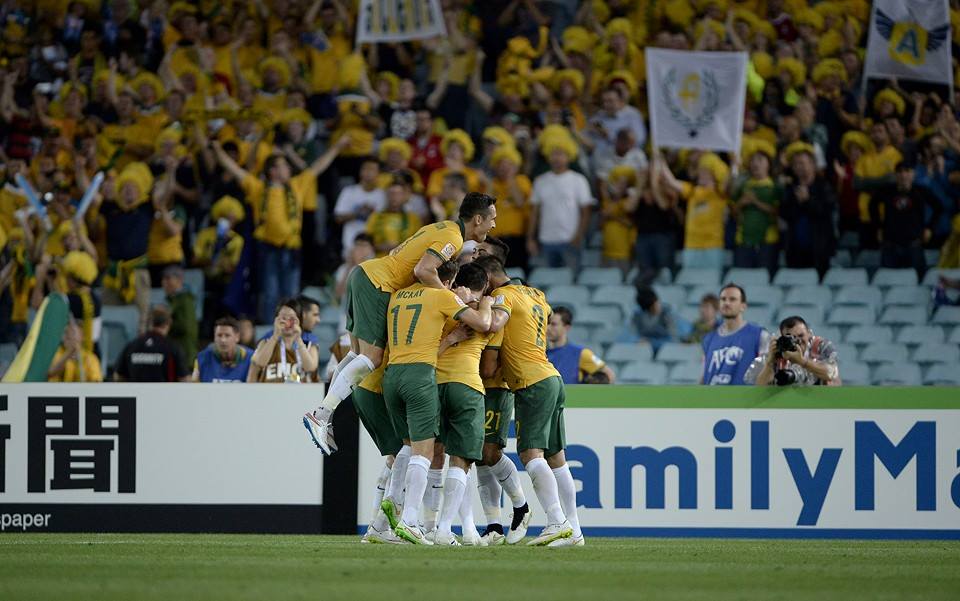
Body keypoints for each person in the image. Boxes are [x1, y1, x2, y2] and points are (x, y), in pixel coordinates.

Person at [305, 192, 498, 455]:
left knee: (356, 354)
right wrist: (448, 296)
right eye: (492, 219)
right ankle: (321, 413)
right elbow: (423, 270)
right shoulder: (452, 236)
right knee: (372, 358)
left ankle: (323, 414)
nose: (494, 225)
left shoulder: (440, 226)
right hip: (378, 283)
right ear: (478, 219)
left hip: (365, 274)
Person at [378, 260, 495, 544]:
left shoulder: (398, 296)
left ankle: (387, 511)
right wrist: (483, 303)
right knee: (425, 453)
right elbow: (483, 323)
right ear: (449, 279)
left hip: (392, 373)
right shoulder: (442, 297)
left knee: (407, 446)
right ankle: (412, 522)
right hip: (424, 375)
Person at [482, 256, 583, 547]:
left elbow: (489, 364)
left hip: (530, 382)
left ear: (489, 280)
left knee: (530, 454)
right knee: (557, 458)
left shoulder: (502, 297)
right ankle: (574, 530)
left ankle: (556, 521)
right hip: (551, 376)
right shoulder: (536, 294)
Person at [212, 136, 349, 323]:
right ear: (273, 170)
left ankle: (292, 333)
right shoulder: (258, 188)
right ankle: (272, 333)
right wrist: (217, 149)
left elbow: (318, 166)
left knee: (291, 294)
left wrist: (337, 146)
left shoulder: (297, 185)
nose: (288, 169)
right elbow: (234, 170)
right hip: (267, 248)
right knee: (270, 294)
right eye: (284, 165)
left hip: (291, 248)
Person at [432, 262, 499, 546]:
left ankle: (467, 529)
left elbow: (430, 348)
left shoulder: (444, 307)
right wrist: (487, 303)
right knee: (463, 461)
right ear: (484, 286)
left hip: (434, 385)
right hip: (467, 386)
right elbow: (490, 330)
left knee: (437, 457)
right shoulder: (487, 313)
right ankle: (444, 528)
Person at [527, 135, 593, 269]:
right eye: (553, 154)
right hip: (546, 241)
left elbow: (586, 212)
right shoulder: (540, 181)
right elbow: (535, 212)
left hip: (570, 241)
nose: (556, 158)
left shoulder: (578, 180)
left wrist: (578, 237)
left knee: (571, 285)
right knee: (546, 282)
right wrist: (530, 239)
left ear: (569, 156)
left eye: (561, 154)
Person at [870, 161, 942, 273]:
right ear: (895, 175)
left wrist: (930, 228)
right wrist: (878, 227)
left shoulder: (921, 191)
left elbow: (939, 207)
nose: (903, 175)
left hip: (914, 244)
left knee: (918, 281)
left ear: (913, 174)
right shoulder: (887, 191)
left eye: (907, 171)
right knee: (888, 280)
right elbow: (872, 205)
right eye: (899, 172)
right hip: (890, 244)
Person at [701, 284, 769, 386]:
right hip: (713, 399)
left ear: (743, 306)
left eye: (732, 299)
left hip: (744, 399)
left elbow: (767, 372)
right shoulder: (708, 339)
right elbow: (704, 376)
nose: (726, 303)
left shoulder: (759, 335)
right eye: (723, 299)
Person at [746, 315, 840, 386]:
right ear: (781, 337)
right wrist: (770, 362)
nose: (797, 341)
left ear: (809, 333)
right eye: (791, 337)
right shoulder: (778, 351)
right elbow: (759, 387)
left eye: (801, 335)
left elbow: (831, 373)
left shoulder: (820, 346)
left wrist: (802, 362)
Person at [248, 298, 319, 383]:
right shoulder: (265, 343)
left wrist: (298, 339)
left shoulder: (309, 345)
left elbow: (310, 368)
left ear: (300, 320)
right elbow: (259, 363)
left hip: (300, 394)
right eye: (283, 318)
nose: (287, 323)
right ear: (276, 320)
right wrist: (275, 335)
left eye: (292, 319)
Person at [115, 305, 191, 382]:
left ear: (150, 323)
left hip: (137, 393)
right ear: (168, 323)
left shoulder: (131, 346)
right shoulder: (173, 347)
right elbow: (184, 379)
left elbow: (118, 377)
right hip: (165, 393)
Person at [546, 306, 616, 384]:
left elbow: (609, 375)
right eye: (547, 323)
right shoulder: (540, 353)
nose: (548, 328)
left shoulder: (581, 353)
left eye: (553, 324)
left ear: (566, 327)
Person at [333, 156, 385, 258]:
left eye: (372, 169)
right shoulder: (349, 191)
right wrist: (358, 213)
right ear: (360, 171)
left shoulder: (383, 195)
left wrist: (372, 212)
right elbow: (338, 218)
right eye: (365, 168)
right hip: (350, 246)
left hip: (375, 248)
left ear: (379, 173)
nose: (368, 172)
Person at [366, 173, 422, 256]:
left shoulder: (413, 218)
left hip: (404, 263)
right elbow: (366, 242)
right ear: (386, 195)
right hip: (379, 262)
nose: (394, 197)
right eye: (391, 193)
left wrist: (397, 246)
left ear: (404, 196)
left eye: (398, 194)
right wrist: (378, 247)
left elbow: (419, 243)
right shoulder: (375, 216)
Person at [192, 316, 253, 383]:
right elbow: (194, 387)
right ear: (214, 337)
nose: (223, 340)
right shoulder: (201, 358)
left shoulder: (251, 359)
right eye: (219, 335)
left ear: (237, 337)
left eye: (227, 335)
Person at [161, 265, 197, 365]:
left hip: (185, 356)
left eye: (168, 278)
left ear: (179, 280)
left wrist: (166, 325)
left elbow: (186, 327)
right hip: (176, 354)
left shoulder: (185, 300)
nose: (164, 282)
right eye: (163, 279)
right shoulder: (173, 300)